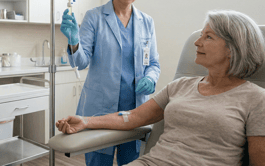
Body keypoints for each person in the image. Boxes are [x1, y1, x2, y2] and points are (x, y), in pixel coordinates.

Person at [57, 10, 265, 166]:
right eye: (201, 35)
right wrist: (86, 121)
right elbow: (134, 117)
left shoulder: (255, 99)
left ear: (233, 48)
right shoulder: (180, 86)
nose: (197, 42)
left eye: (208, 37)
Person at [59, 0, 161, 166]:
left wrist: (151, 79)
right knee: (98, 162)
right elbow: (81, 62)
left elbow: (153, 63)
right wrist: (74, 42)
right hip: (100, 110)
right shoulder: (94, 17)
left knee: (132, 162)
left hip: (133, 112)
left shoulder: (147, 22)